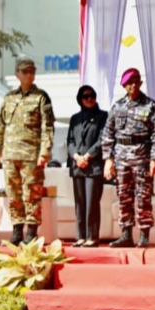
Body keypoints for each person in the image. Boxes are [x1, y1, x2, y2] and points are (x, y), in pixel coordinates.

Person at [0, 57, 56, 246]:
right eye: (25, 71)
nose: (29, 75)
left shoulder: (41, 97)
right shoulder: (9, 98)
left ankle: (31, 232)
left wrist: (44, 152)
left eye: (32, 71)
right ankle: (17, 231)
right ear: (17, 74)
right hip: (10, 155)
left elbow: (47, 127)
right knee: (14, 195)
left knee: (32, 195)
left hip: (31, 155)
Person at [101, 68, 155, 248]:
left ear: (141, 83)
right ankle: (126, 234)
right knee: (123, 196)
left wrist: (154, 159)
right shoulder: (117, 106)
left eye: (135, 82)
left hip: (141, 157)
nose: (133, 86)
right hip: (121, 157)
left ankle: (144, 234)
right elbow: (108, 133)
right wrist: (108, 159)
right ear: (124, 86)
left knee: (143, 197)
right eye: (129, 83)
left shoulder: (150, 106)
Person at [66, 85, 108, 248]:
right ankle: (80, 236)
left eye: (92, 96)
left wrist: (88, 156)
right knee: (80, 203)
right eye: (85, 96)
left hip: (93, 166)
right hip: (78, 165)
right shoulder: (75, 118)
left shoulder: (102, 116)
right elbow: (70, 141)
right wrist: (76, 157)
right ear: (80, 99)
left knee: (92, 202)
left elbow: (102, 139)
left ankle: (92, 236)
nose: (89, 99)